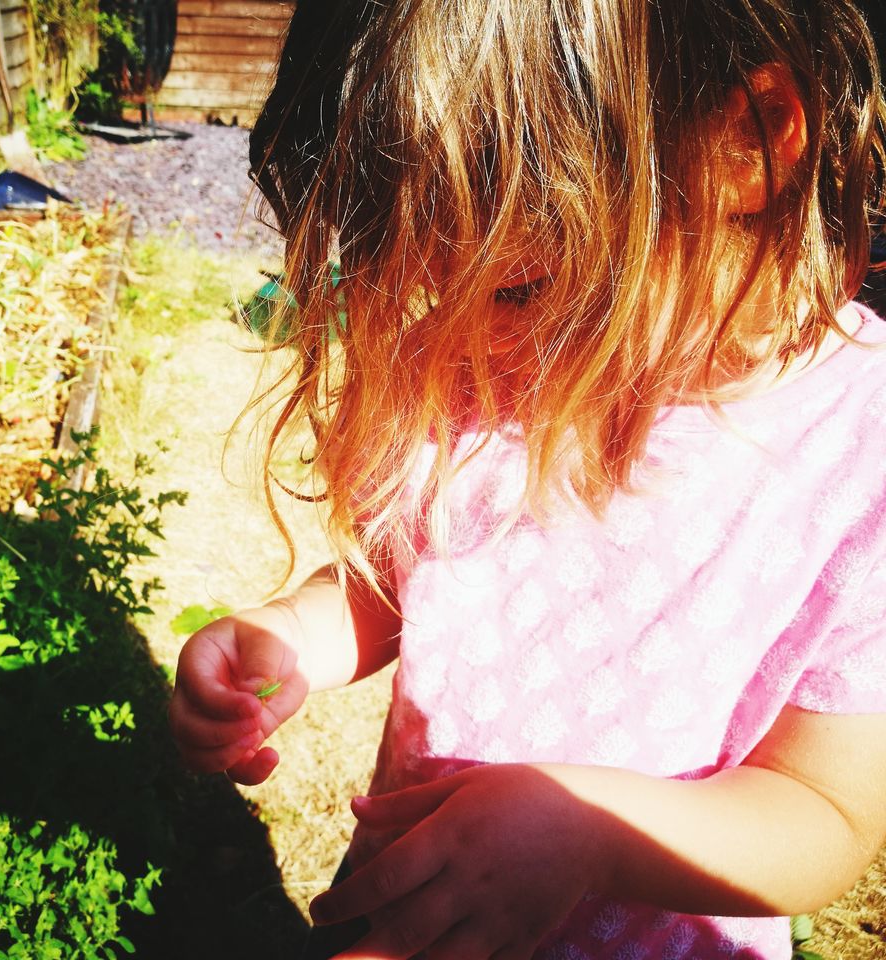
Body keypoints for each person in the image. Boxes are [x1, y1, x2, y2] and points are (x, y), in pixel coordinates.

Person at [168, 1, 886, 958]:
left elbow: (823, 814)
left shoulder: (858, 452)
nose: (471, 333)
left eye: (516, 286)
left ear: (743, 146)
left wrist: (584, 830)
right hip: (418, 910)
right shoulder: (480, 354)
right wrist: (291, 634)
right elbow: (399, 579)